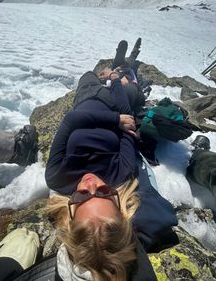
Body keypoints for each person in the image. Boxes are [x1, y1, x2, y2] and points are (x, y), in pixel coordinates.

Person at [45, 68, 178, 280]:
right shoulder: (121, 173)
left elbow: (70, 120)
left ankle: (115, 71)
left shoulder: (57, 177)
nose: (90, 183)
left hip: (84, 100)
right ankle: (124, 72)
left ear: (70, 210)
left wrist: (115, 121)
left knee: (88, 75)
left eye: (81, 196)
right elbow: (129, 125)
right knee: (131, 90)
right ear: (117, 200)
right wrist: (115, 83)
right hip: (111, 102)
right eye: (104, 192)